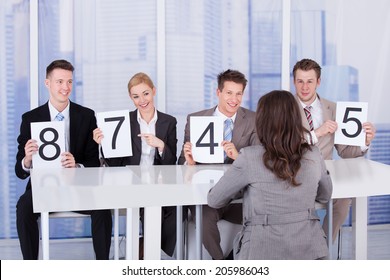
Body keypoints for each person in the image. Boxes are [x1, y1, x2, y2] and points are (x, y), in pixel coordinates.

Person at [208, 90, 333, 260]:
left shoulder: (249, 157)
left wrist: (244, 189)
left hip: (262, 250)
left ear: (262, 121)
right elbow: (325, 196)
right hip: (310, 250)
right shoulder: (313, 154)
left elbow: (214, 199)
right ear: (295, 119)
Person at [15, 59, 112, 260]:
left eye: (69, 82)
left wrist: (77, 165)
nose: (65, 87)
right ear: (47, 83)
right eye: (59, 82)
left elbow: (93, 162)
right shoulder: (30, 118)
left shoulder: (86, 116)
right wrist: (27, 159)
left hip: (78, 189)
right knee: (24, 206)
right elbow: (19, 170)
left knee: (102, 206)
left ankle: (103, 266)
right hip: (43, 190)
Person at [93, 72, 177, 258]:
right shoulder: (125, 121)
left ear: (154, 91)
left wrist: (160, 145)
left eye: (146, 94)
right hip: (130, 182)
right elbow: (115, 163)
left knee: (175, 210)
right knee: (149, 207)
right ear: (131, 98)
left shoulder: (168, 122)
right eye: (136, 96)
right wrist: (104, 146)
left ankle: (147, 245)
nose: (142, 100)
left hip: (159, 182)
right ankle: (145, 248)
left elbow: (172, 163)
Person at [292, 58, 376, 242]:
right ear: (294, 82)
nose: (305, 87)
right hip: (294, 175)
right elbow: (284, 145)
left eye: (310, 81)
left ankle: (322, 245)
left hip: (325, 175)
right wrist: (318, 132)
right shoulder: (285, 108)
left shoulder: (334, 108)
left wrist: (365, 141)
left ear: (318, 82)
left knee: (344, 198)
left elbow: (345, 152)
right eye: (300, 81)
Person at [178, 69, 259, 260]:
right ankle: (221, 264)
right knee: (204, 219)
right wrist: (189, 162)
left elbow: (258, 162)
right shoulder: (196, 119)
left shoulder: (253, 120)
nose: (234, 99)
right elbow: (181, 163)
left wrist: (238, 156)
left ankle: (237, 258)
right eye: (229, 93)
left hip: (239, 195)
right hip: (208, 194)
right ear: (218, 93)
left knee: (262, 215)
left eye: (238, 93)